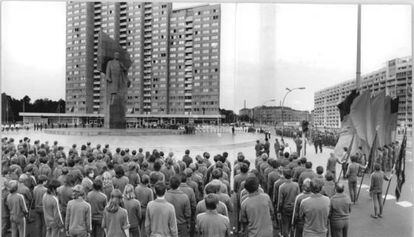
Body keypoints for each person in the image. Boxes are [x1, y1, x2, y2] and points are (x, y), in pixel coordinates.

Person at [277, 169, 300, 237]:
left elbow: (280, 201)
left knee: (285, 225)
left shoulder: (282, 187)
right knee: (292, 225)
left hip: (285, 208)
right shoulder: (296, 185)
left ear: (284, 176)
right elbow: (298, 197)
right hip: (294, 208)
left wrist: (279, 211)